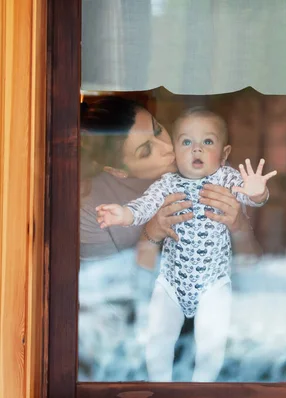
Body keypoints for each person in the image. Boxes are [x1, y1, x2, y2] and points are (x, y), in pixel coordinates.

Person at [79, 96, 262, 381]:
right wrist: (146, 230)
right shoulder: (96, 211)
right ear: (118, 170)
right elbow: (118, 304)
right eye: (146, 150)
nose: (170, 148)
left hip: (214, 286)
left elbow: (252, 263)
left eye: (158, 130)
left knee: (211, 347)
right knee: (158, 343)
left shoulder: (221, 176)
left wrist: (245, 212)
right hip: (161, 297)